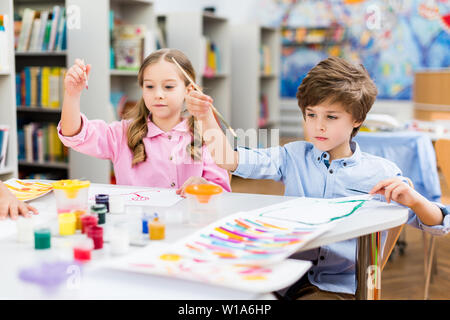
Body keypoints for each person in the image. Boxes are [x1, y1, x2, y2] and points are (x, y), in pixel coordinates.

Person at [186, 56, 450, 299]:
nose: (318, 126)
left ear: (357, 119)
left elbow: (438, 223)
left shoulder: (380, 172)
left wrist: (414, 200)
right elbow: (226, 158)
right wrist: (204, 117)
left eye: (331, 117)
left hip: (337, 289)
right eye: (311, 115)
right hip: (284, 279)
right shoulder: (293, 155)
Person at [58, 49, 231, 194]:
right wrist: (72, 95)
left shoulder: (205, 136)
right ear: (142, 89)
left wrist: (205, 186)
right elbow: (73, 134)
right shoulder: (122, 133)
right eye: (149, 86)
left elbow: (221, 190)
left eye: (169, 87)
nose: (158, 94)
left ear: (188, 89)